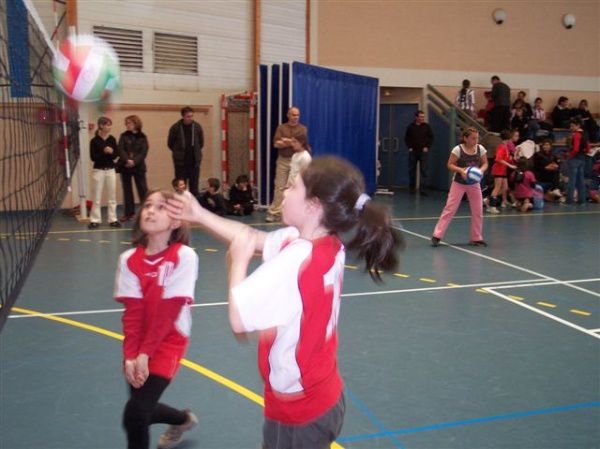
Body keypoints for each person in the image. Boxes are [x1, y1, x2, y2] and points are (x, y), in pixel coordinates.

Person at [166, 156, 404, 449]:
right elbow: (251, 237)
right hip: (320, 394)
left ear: (313, 205)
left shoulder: (297, 259)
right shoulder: (322, 242)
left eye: (293, 187)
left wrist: (237, 263)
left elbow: (239, 319)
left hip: (301, 411)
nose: (284, 192)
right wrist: (199, 214)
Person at [114, 189, 199, 449]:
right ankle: (183, 419)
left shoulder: (184, 256)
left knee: (136, 413)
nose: (150, 210)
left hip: (170, 339)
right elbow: (133, 314)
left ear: (175, 221)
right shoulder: (128, 260)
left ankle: (181, 419)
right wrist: (131, 355)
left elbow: (169, 310)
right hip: (140, 342)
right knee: (141, 411)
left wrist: (145, 354)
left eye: (160, 207)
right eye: (148, 205)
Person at [431, 127, 489, 247]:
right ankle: (437, 235)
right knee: (450, 209)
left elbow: (485, 163)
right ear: (465, 138)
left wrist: (480, 171)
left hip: (474, 183)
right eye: (473, 138)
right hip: (459, 183)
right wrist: (461, 170)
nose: (476, 140)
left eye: (477, 138)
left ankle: (476, 237)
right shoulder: (458, 150)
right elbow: (450, 164)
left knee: (478, 210)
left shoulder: (480, 149)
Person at [266, 106, 308, 222]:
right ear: (288, 115)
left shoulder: (303, 129)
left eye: (297, 115)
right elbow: (276, 144)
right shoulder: (281, 128)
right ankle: (274, 212)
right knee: (279, 186)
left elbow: (302, 143)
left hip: (298, 160)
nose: (296, 117)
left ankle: (294, 212)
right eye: (293, 115)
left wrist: (285, 141)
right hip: (283, 160)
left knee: (297, 186)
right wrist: (292, 141)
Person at [88, 116, 120, 229]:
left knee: (112, 196)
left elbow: (116, 155)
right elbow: (93, 157)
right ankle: (95, 220)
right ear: (101, 125)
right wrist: (103, 151)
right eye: (107, 124)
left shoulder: (112, 139)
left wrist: (111, 152)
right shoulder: (94, 141)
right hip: (99, 170)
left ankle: (113, 219)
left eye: (110, 124)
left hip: (110, 170)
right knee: (96, 196)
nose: (109, 127)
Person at [117, 115, 149, 222]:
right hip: (125, 166)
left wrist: (134, 161)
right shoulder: (123, 136)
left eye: (129, 123)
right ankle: (128, 213)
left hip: (139, 167)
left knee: (143, 190)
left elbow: (143, 152)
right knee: (127, 191)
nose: (127, 125)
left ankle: (146, 213)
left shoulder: (142, 137)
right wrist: (127, 160)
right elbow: (120, 149)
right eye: (126, 123)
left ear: (136, 123)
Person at [168, 106, 204, 197]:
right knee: (181, 187)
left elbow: (201, 143)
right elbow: (170, 143)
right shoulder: (175, 128)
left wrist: (196, 153)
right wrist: (178, 152)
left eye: (192, 116)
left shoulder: (197, 127)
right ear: (183, 116)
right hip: (181, 163)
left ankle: (194, 207)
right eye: (188, 116)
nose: (190, 118)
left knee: (194, 187)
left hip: (194, 162)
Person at [404, 110, 434, 195]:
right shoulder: (410, 127)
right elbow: (406, 138)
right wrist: (409, 147)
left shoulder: (427, 127)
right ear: (416, 117)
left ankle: (423, 190)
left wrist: (427, 147)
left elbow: (431, 138)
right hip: (413, 151)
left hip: (423, 152)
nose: (422, 118)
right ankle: (412, 189)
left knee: (424, 171)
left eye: (423, 117)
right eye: (420, 117)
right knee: (412, 171)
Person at [487, 129, 517, 214]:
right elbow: (498, 159)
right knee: (497, 187)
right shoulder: (502, 147)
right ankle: (492, 207)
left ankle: (488, 200)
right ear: (508, 138)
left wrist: (511, 158)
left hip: (503, 170)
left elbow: (505, 158)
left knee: (505, 188)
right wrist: (510, 165)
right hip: (498, 170)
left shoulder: (506, 147)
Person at [565, 118, 590, 204]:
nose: (570, 127)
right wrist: (583, 154)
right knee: (581, 180)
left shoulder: (576, 135)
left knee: (572, 180)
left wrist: (570, 156)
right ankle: (582, 200)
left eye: (572, 126)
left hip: (575, 159)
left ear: (578, 125)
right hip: (582, 158)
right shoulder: (585, 134)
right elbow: (588, 148)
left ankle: (569, 201)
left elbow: (575, 149)